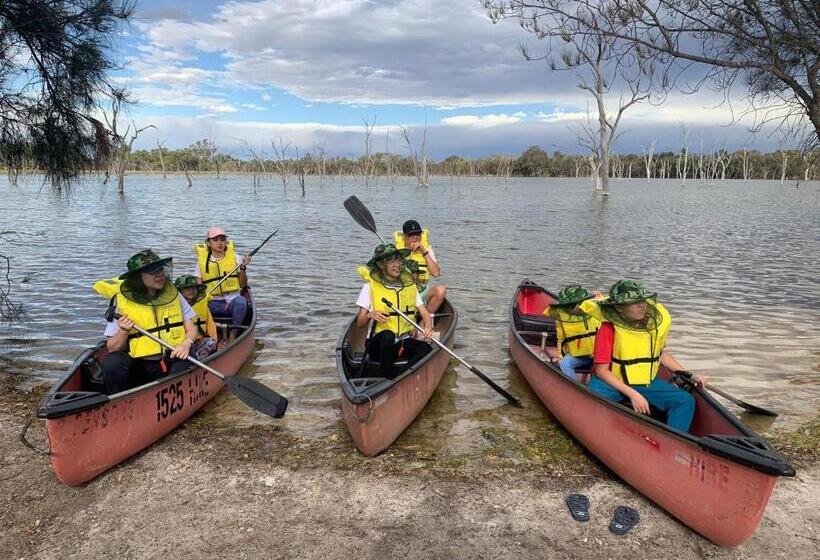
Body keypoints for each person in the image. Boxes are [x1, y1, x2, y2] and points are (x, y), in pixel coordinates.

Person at [580, 280, 705, 432]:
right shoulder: (608, 329)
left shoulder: (649, 327)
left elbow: (661, 355)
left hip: (643, 381)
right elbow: (602, 371)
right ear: (619, 307)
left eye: (642, 300)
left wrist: (690, 375)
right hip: (610, 382)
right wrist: (633, 395)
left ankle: (671, 441)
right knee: (592, 400)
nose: (642, 305)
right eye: (634, 302)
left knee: (685, 401)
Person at [100, 250, 199, 394]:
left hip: (172, 359)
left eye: (160, 269)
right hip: (140, 365)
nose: (159, 274)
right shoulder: (121, 302)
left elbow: (191, 330)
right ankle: (122, 400)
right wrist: (123, 331)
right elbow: (112, 348)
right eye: (152, 271)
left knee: (187, 355)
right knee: (113, 363)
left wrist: (185, 344)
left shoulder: (174, 295)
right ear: (138, 277)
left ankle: (174, 396)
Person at [355, 243, 433, 379]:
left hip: (401, 342)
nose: (397, 264)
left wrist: (428, 327)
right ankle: (389, 376)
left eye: (398, 260)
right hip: (378, 345)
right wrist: (370, 314)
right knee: (388, 336)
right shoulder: (369, 288)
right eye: (391, 261)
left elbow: (425, 314)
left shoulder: (409, 287)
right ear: (380, 265)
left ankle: (401, 376)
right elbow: (360, 323)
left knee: (426, 349)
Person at [194, 226, 251, 341]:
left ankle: (233, 334)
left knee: (242, 302)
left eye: (222, 239)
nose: (220, 243)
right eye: (215, 240)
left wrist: (243, 268)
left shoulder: (236, 258)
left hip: (232, 301)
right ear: (208, 243)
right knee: (195, 305)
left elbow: (243, 285)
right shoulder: (201, 262)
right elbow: (198, 286)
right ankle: (204, 335)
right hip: (213, 302)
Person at [544, 285, 601, 379]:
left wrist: (600, 297)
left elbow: (611, 306)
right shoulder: (561, 315)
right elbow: (561, 339)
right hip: (580, 357)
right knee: (565, 363)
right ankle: (574, 387)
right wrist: (561, 357)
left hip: (599, 355)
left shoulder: (594, 308)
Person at [393, 219, 447, 313]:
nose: (415, 237)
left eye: (417, 234)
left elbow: (436, 273)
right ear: (404, 237)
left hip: (421, 290)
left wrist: (424, 252)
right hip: (402, 291)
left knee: (441, 290)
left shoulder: (427, 248)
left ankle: (424, 323)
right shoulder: (395, 251)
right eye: (411, 235)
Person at [174, 275, 217, 340]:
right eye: (186, 288)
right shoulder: (175, 308)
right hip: (184, 342)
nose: (191, 290)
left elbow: (211, 326)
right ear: (179, 291)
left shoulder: (202, 305)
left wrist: (214, 340)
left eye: (193, 287)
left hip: (201, 340)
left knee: (211, 343)